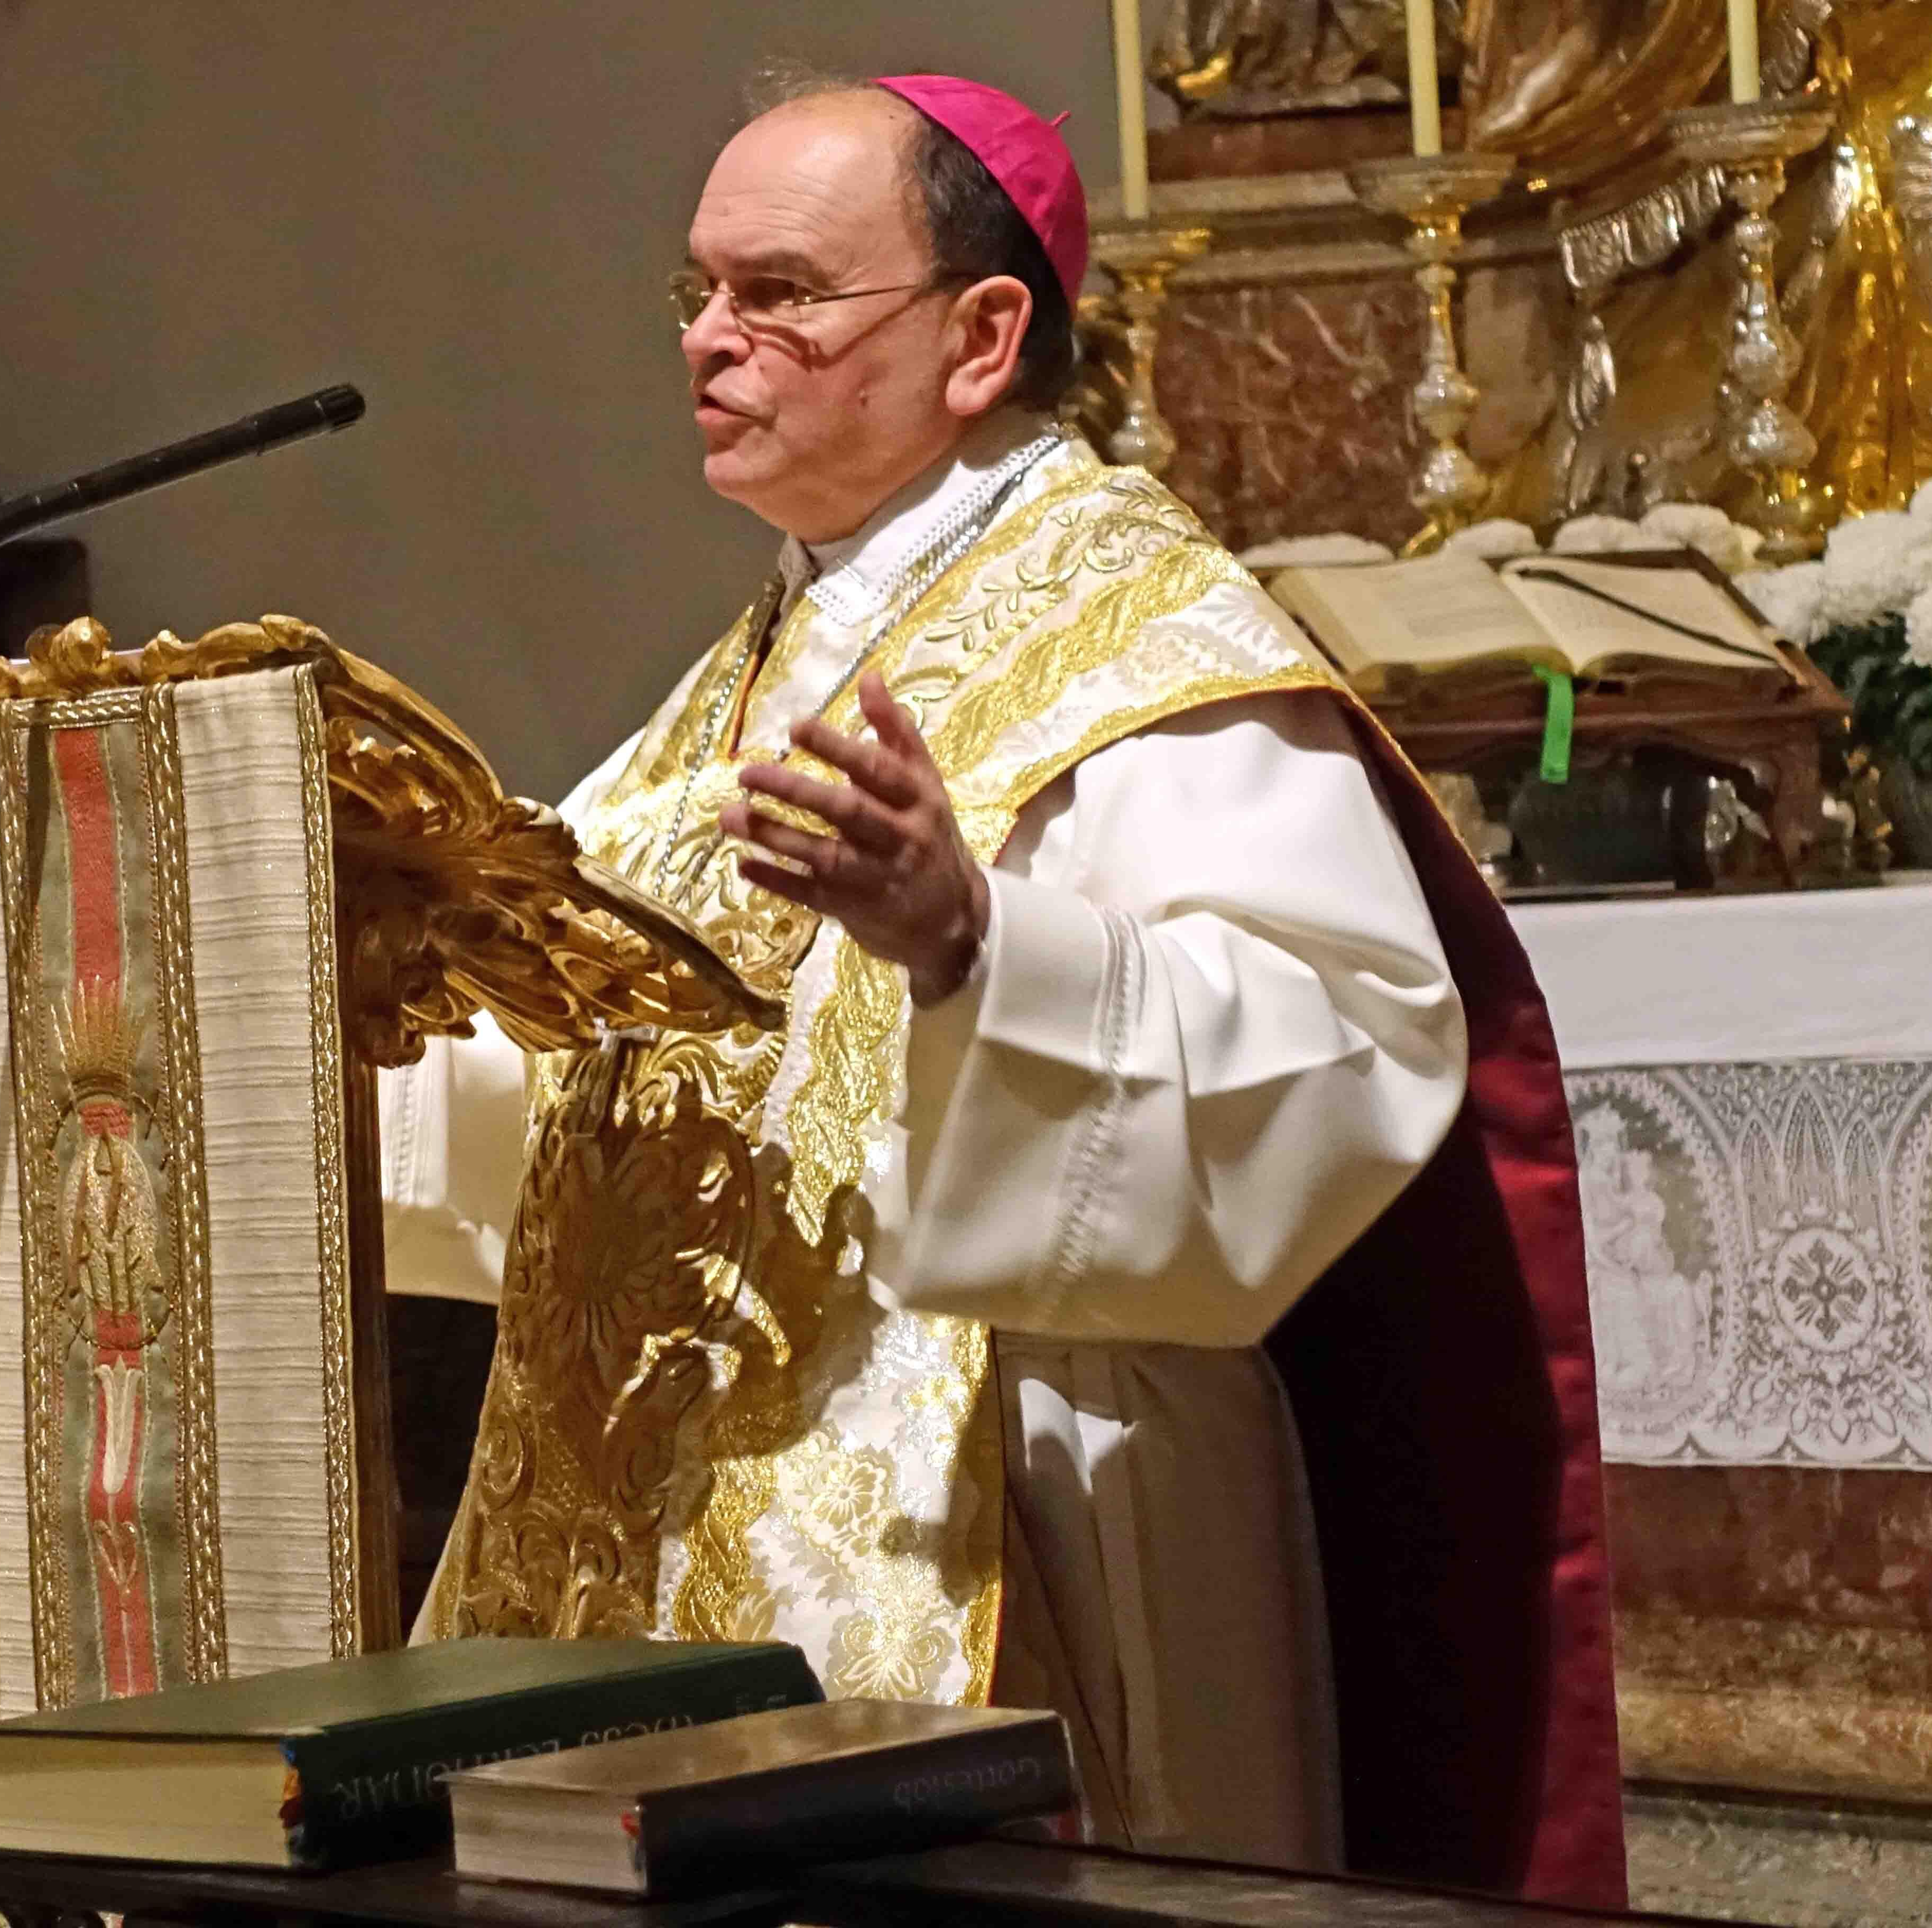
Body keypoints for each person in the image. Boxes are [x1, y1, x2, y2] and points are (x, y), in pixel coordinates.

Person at [381, 70, 1623, 1903]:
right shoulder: (762, 656)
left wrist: (979, 949)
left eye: (779, 292)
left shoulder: (1145, 634)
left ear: (980, 335)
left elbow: (1339, 1041)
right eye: (697, 292)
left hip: (1019, 1497)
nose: (711, 340)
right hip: (688, 1497)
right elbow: (597, 1053)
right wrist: (357, 1022)